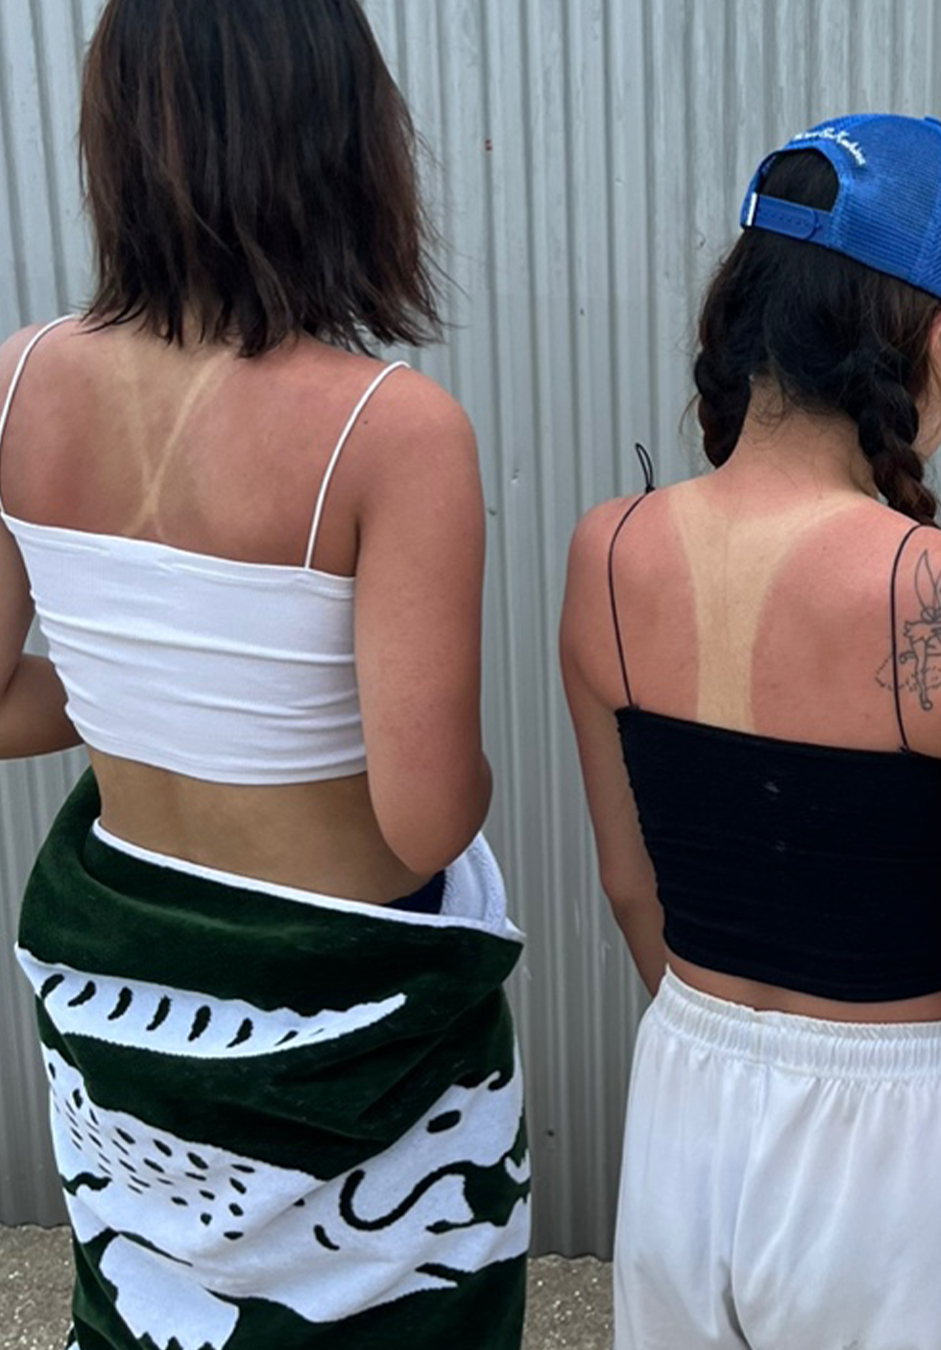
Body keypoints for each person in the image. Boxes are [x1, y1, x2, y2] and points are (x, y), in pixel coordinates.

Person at [0, 3, 528, 1347]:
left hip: (130, 1004)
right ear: (343, 141)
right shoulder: (393, 432)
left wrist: (140, 686)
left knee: (156, 1315)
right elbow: (426, 816)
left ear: (114, 137)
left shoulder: (17, 385)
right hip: (343, 1025)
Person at [560, 112, 941, 1350]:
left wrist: (749, 1042)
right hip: (913, 1159)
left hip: (684, 1106)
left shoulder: (607, 551)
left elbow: (634, 890)